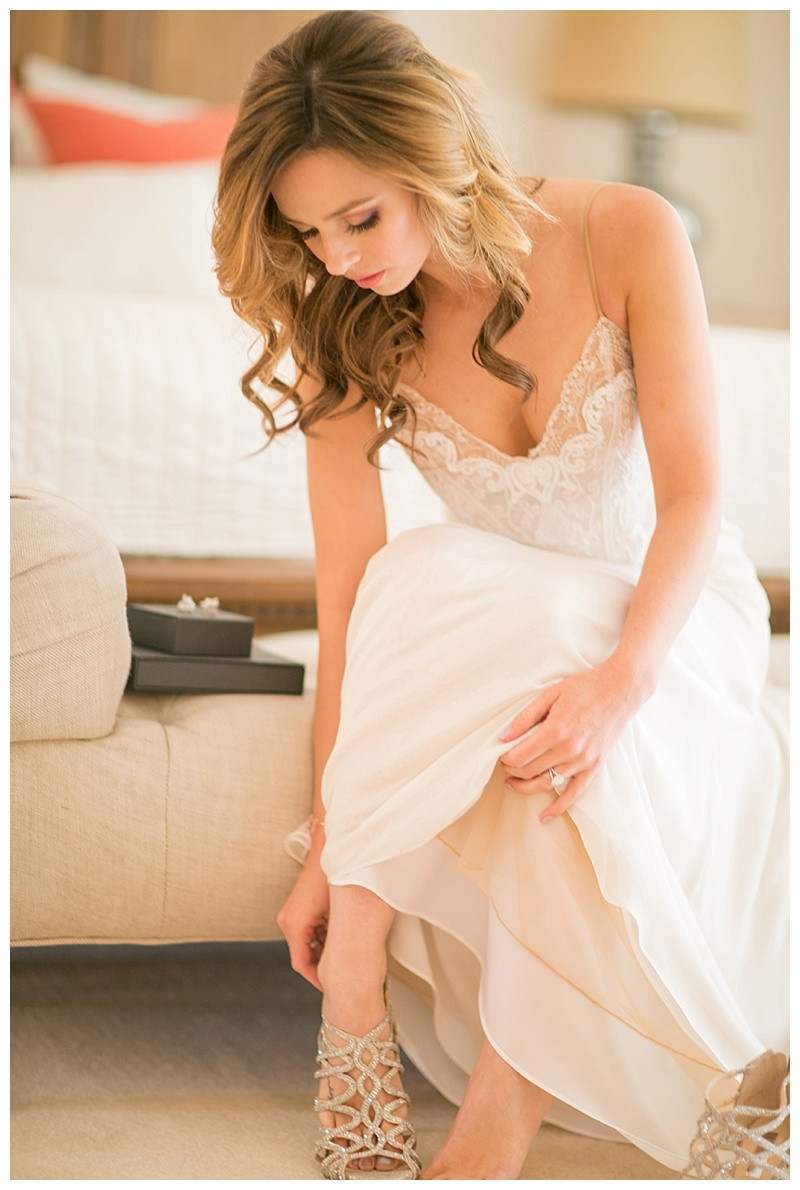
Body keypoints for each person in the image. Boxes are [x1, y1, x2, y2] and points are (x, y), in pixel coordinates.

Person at [213, 10, 788, 1180]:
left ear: (433, 155)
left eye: (359, 217)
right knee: (427, 584)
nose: (337, 259)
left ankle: (488, 1128)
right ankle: (357, 982)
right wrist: (333, 843)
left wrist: (619, 685)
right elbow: (344, 605)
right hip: (506, 638)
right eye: (308, 232)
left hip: (668, 616)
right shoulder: (342, 321)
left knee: (535, 684)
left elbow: (689, 501)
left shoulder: (624, 228)